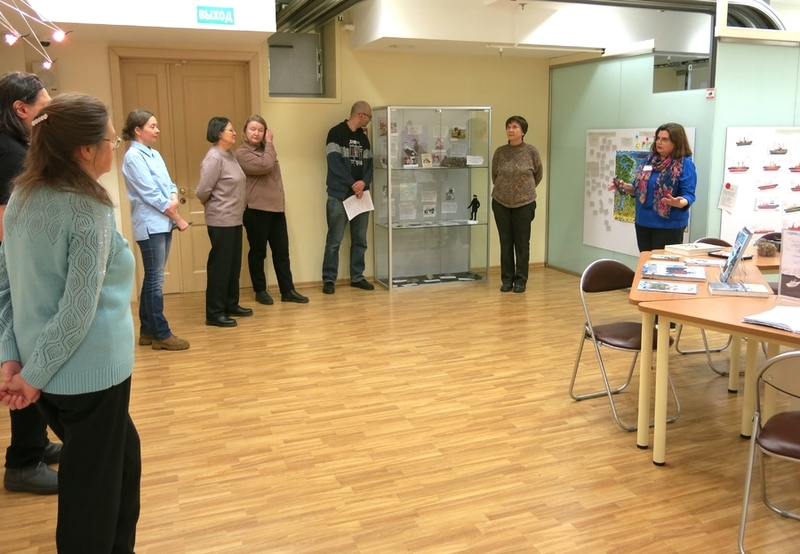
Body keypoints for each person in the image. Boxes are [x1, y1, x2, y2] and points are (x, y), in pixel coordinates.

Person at [0, 93, 141, 553]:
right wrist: (30, 378)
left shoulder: (20, 197)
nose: (113, 148)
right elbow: (79, 308)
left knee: (124, 460)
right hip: (88, 376)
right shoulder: (87, 207)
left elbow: (6, 287)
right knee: (91, 500)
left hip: (48, 373)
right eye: (110, 140)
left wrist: (13, 361)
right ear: (84, 149)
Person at [0, 71, 60, 495]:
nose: (50, 111)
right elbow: (8, 224)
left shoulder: (16, 147)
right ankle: (23, 462)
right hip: (14, 270)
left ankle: (35, 444)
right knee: (24, 358)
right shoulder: (9, 152)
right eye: (45, 105)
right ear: (21, 109)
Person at [122, 109, 190, 351]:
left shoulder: (154, 153)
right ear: (137, 130)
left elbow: (170, 184)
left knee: (153, 278)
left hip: (163, 222)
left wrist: (174, 196)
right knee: (155, 280)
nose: (157, 130)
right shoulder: (133, 157)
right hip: (150, 224)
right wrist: (177, 216)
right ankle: (162, 333)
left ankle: (147, 332)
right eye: (152, 126)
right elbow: (150, 194)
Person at [235, 115, 309, 305]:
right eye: (252, 129)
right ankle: (260, 290)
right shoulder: (241, 153)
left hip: (276, 209)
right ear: (245, 131)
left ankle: (287, 290)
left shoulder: (267, 150)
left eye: (260, 130)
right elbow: (266, 166)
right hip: (256, 209)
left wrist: (267, 146)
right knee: (258, 252)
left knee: (282, 252)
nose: (256, 133)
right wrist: (269, 143)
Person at [195, 117, 252, 327]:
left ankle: (230, 304)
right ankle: (214, 312)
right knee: (220, 267)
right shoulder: (214, 158)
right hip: (220, 219)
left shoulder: (229, 155)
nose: (235, 133)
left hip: (235, 218)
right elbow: (202, 190)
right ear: (219, 133)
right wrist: (211, 203)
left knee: (233, 265)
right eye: (230, 130)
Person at [611, 122, 696, 252]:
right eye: (658, 138)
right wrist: (624, 186)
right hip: (643, 222)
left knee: (661, 263)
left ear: (676, 143)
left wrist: (679, 202)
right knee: (645, 260)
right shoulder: (649, 161)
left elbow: (689, 195)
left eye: (665, 139)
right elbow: (637, 188)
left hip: (669, 226)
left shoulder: (685, 164)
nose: (659, 142)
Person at [322, 101, 374, 294]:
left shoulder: (363, 138)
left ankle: (357, 277)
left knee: (360, 240)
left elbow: (370, 165)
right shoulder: (335, 133)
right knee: (334, 241)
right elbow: (334, 163)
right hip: (339, 196)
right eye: (369, 117)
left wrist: (363, 183)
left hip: (361, 196)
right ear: (361, 115)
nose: (369, 121)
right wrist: (353, 183)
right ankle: (329, 279)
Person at [491, 115, 543, 294]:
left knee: (521, 243)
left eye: (515, 127)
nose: (511, 130)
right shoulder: (500, 152)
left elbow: (538, 174)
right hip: (501, 202)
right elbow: (495, 175)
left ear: (523, 131)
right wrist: (506, 190)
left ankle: (521, 280)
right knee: (505, 242)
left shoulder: (531, 151)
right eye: (508, 127)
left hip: (525, 203)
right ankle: (507, 280)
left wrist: (523, 191)